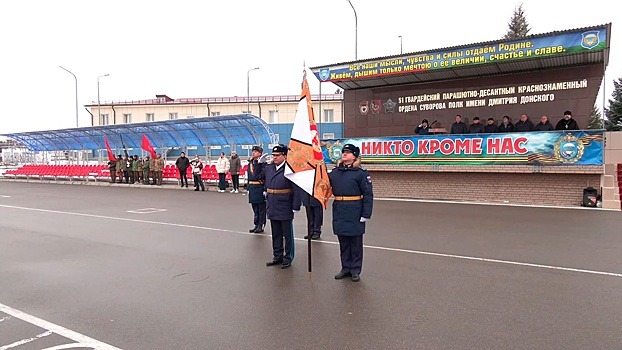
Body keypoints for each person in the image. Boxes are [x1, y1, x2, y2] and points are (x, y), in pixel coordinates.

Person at [329, 144, 373, 282]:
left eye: (348, 152)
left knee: (355, 242)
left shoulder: (360, 173)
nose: (344, 154)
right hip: (339, 209)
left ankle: (355, 269)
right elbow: (323, 186)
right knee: (343, 241)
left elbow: (368, 194)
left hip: (355, 209)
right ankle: (345, 268)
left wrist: (366, 214)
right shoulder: (335, 172)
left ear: (354, 156)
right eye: (343, 152)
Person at [264, 144, 302, 269]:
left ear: (285, 156)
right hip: (273, 203)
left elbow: (296, 189)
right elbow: (263, 179)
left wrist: (296, 205)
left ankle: (288, 257)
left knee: (287, 234)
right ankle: (277, 256)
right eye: (273, 155)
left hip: (285, 203)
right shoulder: (270, 168)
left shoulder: (289, 169)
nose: (274, 157)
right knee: (276, 233)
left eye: (277, 155)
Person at [247, 146, 267, 233]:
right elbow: (249, 177)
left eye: (255, 151)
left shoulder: (263, 164)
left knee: (261, 208)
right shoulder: (250, 163)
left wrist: (265, 189)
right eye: (253, 151)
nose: (253, 153)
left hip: (259, 187)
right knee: (255, 208)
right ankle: (256, 224)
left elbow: (265, 177)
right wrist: (248, 188)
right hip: (252, 188)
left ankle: (261, 225)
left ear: (260, 153)